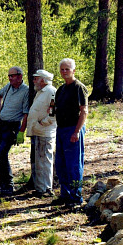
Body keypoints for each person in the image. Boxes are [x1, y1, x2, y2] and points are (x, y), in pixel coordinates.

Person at [53, 58, 88, 207]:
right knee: (61, 164)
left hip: (73, 129)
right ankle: (65, 194)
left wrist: (77, 131)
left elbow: (84, 111)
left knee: (74, 164)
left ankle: (75, 197)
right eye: (62, 69)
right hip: (61, 129)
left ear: (73, 70)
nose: (64, 72)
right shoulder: (61, 89)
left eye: (67, 69)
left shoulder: (78, 87)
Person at [0, 66, 29, 196]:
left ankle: (9, 185)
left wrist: (21, 131)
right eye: (9, 76)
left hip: (12, 126)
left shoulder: (26, 91)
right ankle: (0, 184)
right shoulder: (8, 87)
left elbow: (26, 113)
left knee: (2, 153)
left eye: (12, 76)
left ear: (20, 76)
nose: (10, 78)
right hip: (1, 124)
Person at [26, 69, 57, 198]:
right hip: (37, 132)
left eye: (36, 78)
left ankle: (46, 188)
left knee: (45, 160)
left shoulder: (51, 92)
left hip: (45, 132)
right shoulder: (40, 92)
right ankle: (40, 187)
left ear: (43, 80)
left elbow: (53, 112)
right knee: (38, 160)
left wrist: (42, 123)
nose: (34, 81)